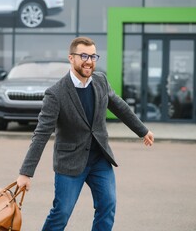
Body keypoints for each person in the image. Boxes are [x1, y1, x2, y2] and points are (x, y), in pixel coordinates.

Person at [16, 36, 154, 231]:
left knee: (107, 205)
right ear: (71, 58)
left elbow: (119, 106)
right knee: (61, 213)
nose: (89, 61)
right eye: (83, 56)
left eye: (93, 56)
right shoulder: (55, 94)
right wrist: (25, 173)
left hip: (99, 158)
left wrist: (142, 130)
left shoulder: (101, 81)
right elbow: (41, 134)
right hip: (70, 162)